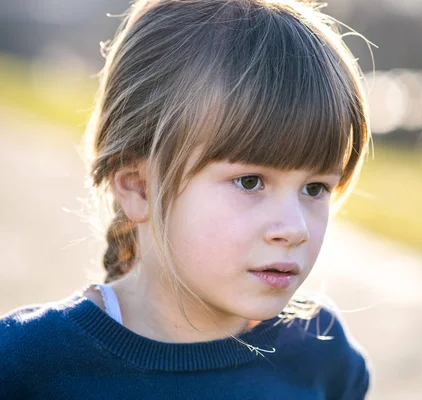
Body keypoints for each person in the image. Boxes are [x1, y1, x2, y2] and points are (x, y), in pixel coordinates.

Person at [0, 0, 373, 398]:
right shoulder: (28, 365)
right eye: (250, 182)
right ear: (137, 187)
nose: (295, 229)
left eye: (314, 188)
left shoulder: (322, 354)